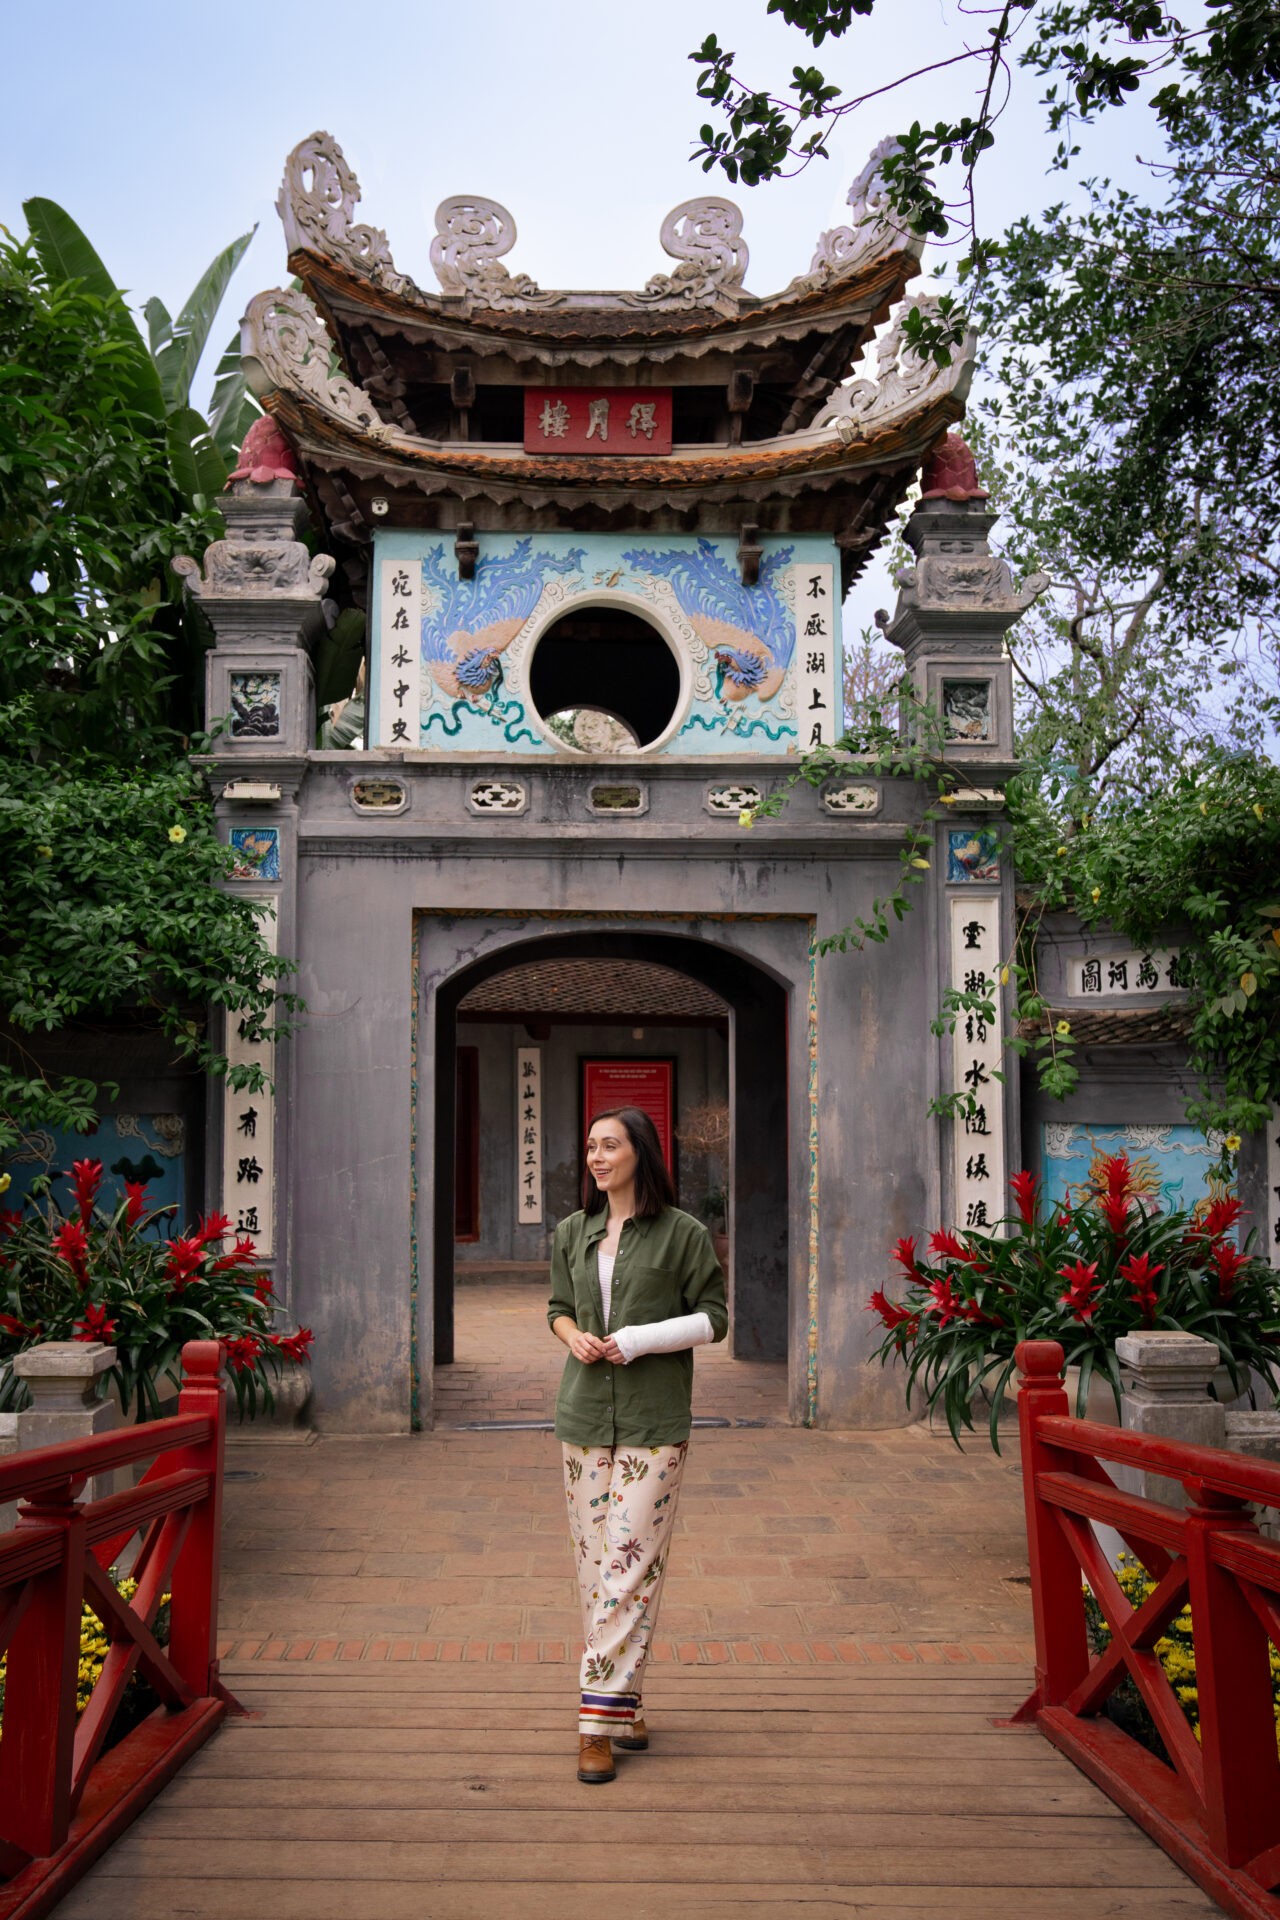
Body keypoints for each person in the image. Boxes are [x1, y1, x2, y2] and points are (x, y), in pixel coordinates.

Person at [547, 1105, 728, 1785]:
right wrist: (575, 1338)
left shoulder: (683, 1234)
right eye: (591, 1146)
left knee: (626, 1564)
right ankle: (624, 1700)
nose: (597, 1157)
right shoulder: (572, 1231)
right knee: (599, 1569)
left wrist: (642, 1338)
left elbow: (716, 1318)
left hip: (655, 1422)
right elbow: (556, 1308)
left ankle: (595, 1725)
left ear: (640, 1153)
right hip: (584, 1415)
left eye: (610, 1146)